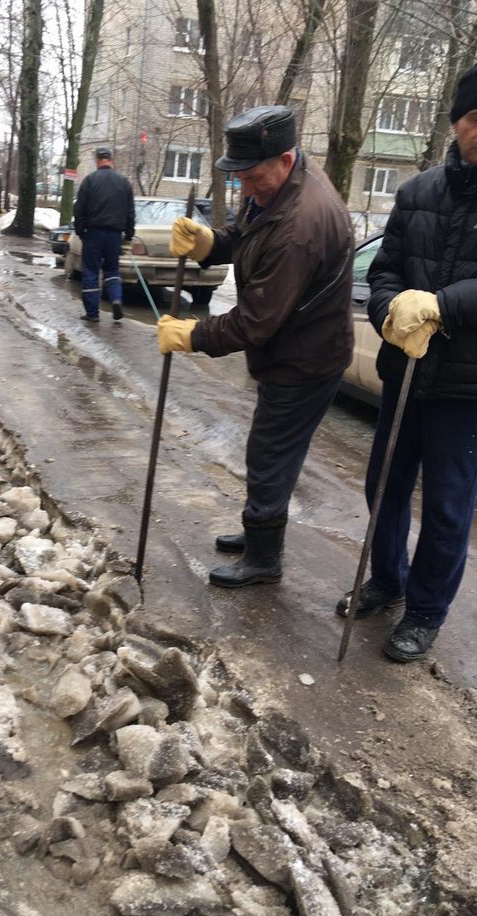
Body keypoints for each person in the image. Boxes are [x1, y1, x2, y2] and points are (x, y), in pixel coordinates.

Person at [157, 106, 354, 589]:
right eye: (239, 177)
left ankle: (265, 558)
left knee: (269, 455)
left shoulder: (301, 225)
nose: (246, 187)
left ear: (285, 160)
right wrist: (209, 243)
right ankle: (259, 534)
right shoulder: (279, 190)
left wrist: (192, 334)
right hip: (296, 346)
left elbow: (256, 323)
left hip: (304, 359)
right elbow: (248, 235)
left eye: (253, 176)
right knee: (272, 454)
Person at [336, 65, 477, 663]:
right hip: (406, 370)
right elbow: (385, 269)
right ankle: (387, 578)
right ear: (457, 123)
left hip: (467, 387)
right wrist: (394, 309)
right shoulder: (417, 192)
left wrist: (442, 306)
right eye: (476, 120)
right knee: (385, 484)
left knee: (447, 504)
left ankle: (424, 611)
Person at [73, 146, 135, 322]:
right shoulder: (124, 182)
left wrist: (80, 230)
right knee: (112, 270)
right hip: (115, 234)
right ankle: (116, 298)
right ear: (111, 160)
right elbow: (130, 211)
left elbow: (79, 209)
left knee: (91, 272)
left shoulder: (90, 181)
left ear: (97, 160)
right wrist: (129, 234)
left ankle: (92, 313)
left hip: (93, 233)